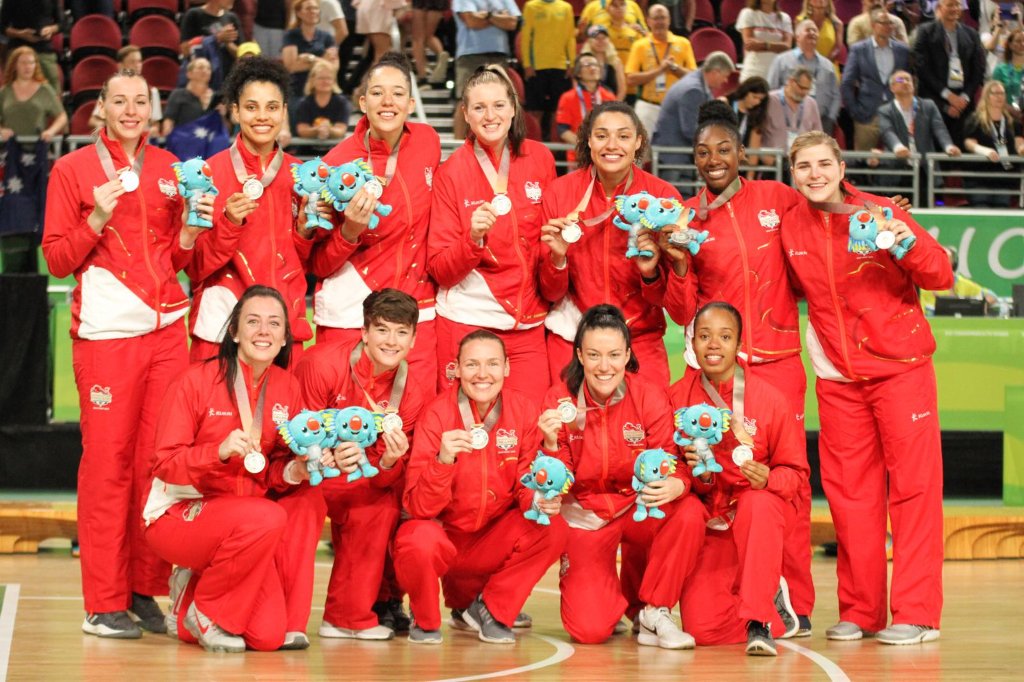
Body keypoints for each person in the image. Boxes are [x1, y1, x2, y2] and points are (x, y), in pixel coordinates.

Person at [42, 68, 209, 639]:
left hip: (167, 334)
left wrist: (189, 236)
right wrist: (95, 217)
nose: (132, 110)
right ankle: (102, 601)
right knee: (108, 469)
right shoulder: (73, 169)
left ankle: (144, 589)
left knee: (154, 468)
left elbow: (180, 261)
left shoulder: (169, 170)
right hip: (108, 336)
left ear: (153, 108)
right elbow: (58, 261)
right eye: (121, 100)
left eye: (141, 101)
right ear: (102, 108)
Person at [782, 130, 952, 645]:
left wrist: (901, 239)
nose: (814, 174)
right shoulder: (791, 226)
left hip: (901, 372)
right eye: (803, 167)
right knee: (850, 499)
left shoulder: (880, 212)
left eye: (822, 164)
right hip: (838, 381)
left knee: (915, 493)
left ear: (840, 167)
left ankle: (917, 613)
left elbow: (940, 273)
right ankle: (861, 610)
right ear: (793, 175)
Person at [659, 100, 815, 635]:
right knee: (724, 481)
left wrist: (866, 207)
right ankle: (738, 585)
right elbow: (682, 312)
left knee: (782, 485)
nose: (714, 159)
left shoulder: (777, 198)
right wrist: (678, 264)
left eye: (724, 149)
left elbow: (824, 215)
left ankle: (796, 597)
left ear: (742, 152)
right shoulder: (688, 218)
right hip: (722, 376)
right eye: (703, 153)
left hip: (780, 365)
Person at [144, 286, 328, 652]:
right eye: (253, 322)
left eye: (274, 324)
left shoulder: (286, 387)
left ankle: (189, 602)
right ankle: (208, 610)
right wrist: (218, 452)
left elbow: (273, 469)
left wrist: (296, 472)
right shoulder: (195, 381)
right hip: (178, 515)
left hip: (244, 528)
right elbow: (164, 464)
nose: (264, 331)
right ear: (234, 332)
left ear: (284, 337)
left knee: (268, 635)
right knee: (268, 516)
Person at [539, 304, 705, 647]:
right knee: (589, 630)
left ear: (628, 354)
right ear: (580, 355)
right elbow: (555, 482)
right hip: (585, 516)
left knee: (687, 512)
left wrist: (679, 482)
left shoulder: (649, 396)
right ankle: (611, 597)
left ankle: (655, 610)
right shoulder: (558, 400)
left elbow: (672, 461)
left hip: (636, 509)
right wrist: (552, 444)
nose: (604, 366)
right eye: (595, 355)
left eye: (614, 355)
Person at [394, 330, 568, 644]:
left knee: (553, 527)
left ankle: (491, 608)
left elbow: (526, 485)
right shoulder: (436, 414)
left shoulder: (523, 410)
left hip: (489, 542)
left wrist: (538, 501)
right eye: (472, 364)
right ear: (456, 369)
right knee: (416, 538)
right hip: (444, 540)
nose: (483, 374)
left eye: (492, 364)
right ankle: (426, 622)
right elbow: (419, 508)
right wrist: (442, 460)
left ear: (507, 368)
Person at [671, 302, 809, 656]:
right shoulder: (676, 399)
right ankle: (770, 598)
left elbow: (796, 474)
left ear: (739, 344)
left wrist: (768, 480)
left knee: (758, 502)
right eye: (704, 336)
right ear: (691, 343)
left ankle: (758, 622)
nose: (713, 345)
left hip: (758, 516)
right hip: (711, 523)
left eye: (725, 336)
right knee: (703, 630)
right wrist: (689, 473)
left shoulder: (768, 399)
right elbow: (667, 470)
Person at [294, 289, 431, 640]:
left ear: (414, 339)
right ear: (364, 331)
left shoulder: (412, 392)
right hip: (304, 474)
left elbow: (385, 475)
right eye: (382, 330)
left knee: (380, 505)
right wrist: (324, 457)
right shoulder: (321, 364)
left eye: (402, 332)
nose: (391, 341)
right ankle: (283, 618)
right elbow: (297, 433)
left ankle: (346, 617)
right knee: (297, 507)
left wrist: (387, 460)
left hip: (357, 478)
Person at [428, 65, 556, 402]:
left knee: (529, 427)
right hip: (468, 321)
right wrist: (472, 240)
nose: (490, 115)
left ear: (514, 108)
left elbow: (546, 243)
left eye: (499, 105)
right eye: (479, 107)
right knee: (464, 431)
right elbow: (440, 269)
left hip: (528, 325)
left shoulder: (540, 158)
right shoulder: (450, 172)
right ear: (465, 114)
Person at [313, 53, 441, 386]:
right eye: (377, 92)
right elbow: (318, 266)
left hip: (417, 312)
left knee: (411, 422)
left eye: (398, 93)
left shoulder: (428, 142)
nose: (388, 102)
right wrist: (350, 232)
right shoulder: (335, 164)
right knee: (351, 425)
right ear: (362, 101)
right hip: (352, 312)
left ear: (411, 102)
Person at [538, 101, 685, 387]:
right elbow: (550, 293)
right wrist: (557, 259)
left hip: (639, 338)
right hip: (573, 337)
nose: (612, 145)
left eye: (623, 136)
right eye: (602, 135)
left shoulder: (661, 196)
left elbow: (667, 301)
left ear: (638, 141)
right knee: (568, 429)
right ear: (589, 140)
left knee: (648, 427)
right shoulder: (560, 193)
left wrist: (650, 274)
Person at [185, 56, 316, 364]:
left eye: (272, 107)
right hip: (221, 329)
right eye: (251, 107)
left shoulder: (302, 177)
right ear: (236, 111)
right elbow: (195, 267)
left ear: (284, 112)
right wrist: (229, 223)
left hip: (284, 328)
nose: (262, 117)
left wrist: (304, 233)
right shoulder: (208, 174)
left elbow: (310, 263)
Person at [653, 51, 737, 182]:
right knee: (674, 198)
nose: (726, 81)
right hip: (674, 156)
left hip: (679, 154)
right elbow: (690, 130)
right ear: (715, 72)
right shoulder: (693, 90)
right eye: (725, 76)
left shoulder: (697, 84)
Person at [912, 0, 986, 148]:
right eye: (950, 5)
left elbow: (978, 69)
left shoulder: (971, 34)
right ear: (940, 7)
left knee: (962, 152)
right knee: (935, 152)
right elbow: (922, 68)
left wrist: (964, 98)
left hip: (964, 105)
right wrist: (948, 96)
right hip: (935, 102)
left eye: (957, 5)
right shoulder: (925, 31)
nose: (955, 8)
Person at [875, 70, 960, 189]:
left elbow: (939, 128)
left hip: (923, 169)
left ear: (913, 85)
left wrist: (948, 146)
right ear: (892, 87)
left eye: (908, 79)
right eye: (900, 80)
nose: (905, 82)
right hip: (897, 169)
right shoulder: (884, 110)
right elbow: (887, 131)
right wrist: (897, 147)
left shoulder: (928, 105)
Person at [841, 8, 911, 151]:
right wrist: (854, 111)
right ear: (873, 25)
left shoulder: (903, 51)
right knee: (863, 161)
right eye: (883, 23)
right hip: (866, 114)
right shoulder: (859, 49)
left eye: (890, 23)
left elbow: (903, 79)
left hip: (895, 113)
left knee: (895, 159)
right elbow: (847, 82)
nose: (888, 27)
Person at [450, 0, 521, 139]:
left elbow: (512, 23)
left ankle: (498, 145)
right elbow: (472, 22)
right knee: (464, 101)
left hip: (499, 55)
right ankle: (458, 148)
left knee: (501, 101)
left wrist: (486, 16)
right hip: (470, 55)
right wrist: (498, 17)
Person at [624, 4, 696, 139]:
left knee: (673, 151)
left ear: (669, 20)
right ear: (648, 21)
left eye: (662, 18)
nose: (659, 22)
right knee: (640, 152)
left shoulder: (683, 43)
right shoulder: (639, 45)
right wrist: (660, 70)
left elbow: (693, 78)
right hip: (647, 106)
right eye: (656, 18)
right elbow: (630, 79)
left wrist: (674, 68)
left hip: (676, 107)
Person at [766, 19, 840, 134]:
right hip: (785, 121)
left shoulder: (828, 65)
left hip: (820, 123)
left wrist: (830, 118)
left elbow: (836, 95)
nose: (812, 33)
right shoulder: (782, 60)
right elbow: (771, 89)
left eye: (815, 30)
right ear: (797, 36)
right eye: (808, 30)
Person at [521, 0, 576, 140]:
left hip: (560, 66)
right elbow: (526, 37)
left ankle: (555, 153)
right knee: (535, 111)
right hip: (536, 67)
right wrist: (527, 64)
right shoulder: (531, 6)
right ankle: (533, 149)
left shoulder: (566, 8)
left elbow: (570, 37)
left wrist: (572, 63)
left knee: (557, 112)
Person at [963, 80, 1024, 207]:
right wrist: (985, 151)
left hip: (1003, 178)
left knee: (1002, 208)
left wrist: (1021, 148)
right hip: (979, 178)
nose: (999, 96)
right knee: (981, 207)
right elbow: (969, 142)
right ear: (986, 96)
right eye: (995, 93)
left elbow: (1019, 143)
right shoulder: (975, 119)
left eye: (1002, 93)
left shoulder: (1013, 122)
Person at [556, 54, 618, 170]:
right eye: (587, 65)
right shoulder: (568, 97)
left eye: (595, 65)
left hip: (605, 158)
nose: (593, 68)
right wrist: (586, 146)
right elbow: (562, 130)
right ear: (578, 73)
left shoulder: (609, 97)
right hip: (578, 159)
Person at [88, 46, 162, 137]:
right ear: (120, 65)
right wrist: (99, 125)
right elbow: (93, 120)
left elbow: (155, 123)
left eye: (139, 61)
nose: (137, 65)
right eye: (132, 62)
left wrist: (154, 129)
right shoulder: (109, 89)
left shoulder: (152, 91)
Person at [0, 47, 66, 144]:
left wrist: (51, 131)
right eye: (23, 63)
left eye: (31, 63)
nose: (27, 67)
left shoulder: (45, 90)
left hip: (37, 149)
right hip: (9, 150)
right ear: (14, 65)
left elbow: (62, 116)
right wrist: (1, 130)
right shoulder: (5, 91)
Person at [283, 0, 340, 99]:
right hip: (297, 91)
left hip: (322, 91)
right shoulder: (291, 36)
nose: (313, 11)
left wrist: (310, 58)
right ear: (299, 13)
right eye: (308, 8)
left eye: (315, 8)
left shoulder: (327, 37)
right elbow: (291, 66)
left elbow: (333, 67)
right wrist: (323, 61)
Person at [0, 0, 62, 91]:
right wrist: (20, 34)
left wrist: (51, 29)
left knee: (53, 90)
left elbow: (62, 24)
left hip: (44, 48)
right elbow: (2, 27)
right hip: (18, 47)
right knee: (14, 90)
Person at [919, 245, 999, 314]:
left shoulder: (962, 284)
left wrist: (982, 305)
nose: (942, 263)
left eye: (946, 259)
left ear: (954, 264)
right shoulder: (921, 285)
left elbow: (992, 296)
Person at [761, 66, 822, 154]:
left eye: (807, 89)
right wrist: (766, 158)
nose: (804, 93)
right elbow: (757, 133)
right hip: (774, 161)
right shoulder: (770, 100)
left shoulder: (811, 103)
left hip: (802, 160)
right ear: (791, 81)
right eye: (801, 88)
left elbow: (818, 136)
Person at [293, 58, 352, 149]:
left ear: (334, 81)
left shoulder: (342, 103)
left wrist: (328, 130)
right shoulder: (304, 103)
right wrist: (317, 131)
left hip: (335, 152)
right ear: (312, 80)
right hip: (307, 153)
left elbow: (340, 130)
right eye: (321, 78)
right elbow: (302, 130)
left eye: (328, 78)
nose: (325, 81)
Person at [180, 0, 244, 76]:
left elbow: (242, 55)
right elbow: (184, 50)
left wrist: (228, 43)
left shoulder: (232, 18)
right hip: (201, 75)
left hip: (227, 77)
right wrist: (216, 38)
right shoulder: (194, 15)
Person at [736, 0, 794, 83]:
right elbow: (750, 45)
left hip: (776, 74)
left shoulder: (785, 18)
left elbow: (787, 47)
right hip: (753, 72)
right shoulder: (748, 13)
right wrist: (777, 47)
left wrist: (763, 45)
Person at [161, 57, 219, 138]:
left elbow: (225, 129)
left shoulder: (216, 98)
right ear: (189, 74)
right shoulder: (178, 94)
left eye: (208, 68)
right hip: (184, 142)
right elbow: (168, 122)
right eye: (200, 67)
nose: (205, 70)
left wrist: (222, 115)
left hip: (210, 143)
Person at [725, 77, 770, 174]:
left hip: (741, 165)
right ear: (746, 91)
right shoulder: (725, 103)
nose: (757, 102)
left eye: (760, 99)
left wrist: (750, 176)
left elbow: (754, 149)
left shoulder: (757, 115)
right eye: (754, 97)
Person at [579, 24, 627, 101]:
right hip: (587, 105)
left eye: (603, 38)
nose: (600, 41)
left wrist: (613, 108)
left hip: (611, 104)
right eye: (596, 38)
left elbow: (622, 90)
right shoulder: (582, 61)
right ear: (589, 41)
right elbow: (577, 88)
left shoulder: (616, 61)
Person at [795, 0, 844, 72]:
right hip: (805, 68)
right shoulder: (800, 20)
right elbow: (798, 45)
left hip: (829, 67)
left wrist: (824, 63)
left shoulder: (837, 23)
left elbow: (837, 48)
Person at [409, 0, 450, 86]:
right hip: (437, 2)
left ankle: (422, 76)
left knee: (417, 38)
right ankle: (441, 54)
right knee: (429, 36)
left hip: (420, 3)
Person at [991, 28, 1024, 112]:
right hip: (1008, 117)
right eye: (1018, 41)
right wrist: (1011, 110)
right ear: (1010, 45)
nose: (1022, 44)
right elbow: (993, 96)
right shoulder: (1000, 69)